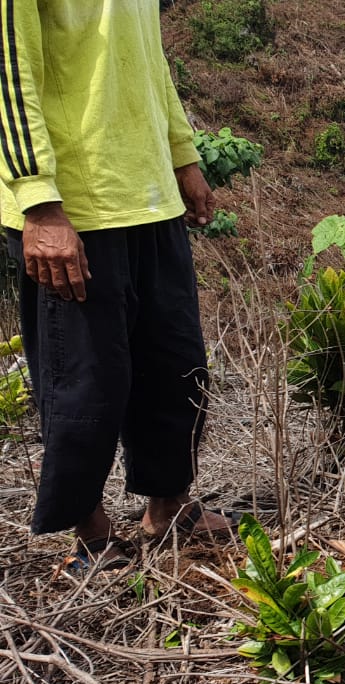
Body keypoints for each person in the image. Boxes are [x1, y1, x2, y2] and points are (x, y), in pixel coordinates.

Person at [2, 1, 235, 570]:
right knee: (86, 379)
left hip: (147, 193)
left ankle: (167, 507)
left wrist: (183, 157)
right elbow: (10, 72)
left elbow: (148, 62)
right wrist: (40, 203)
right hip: (74, 206)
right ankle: (89, 529)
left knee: (177, 366)